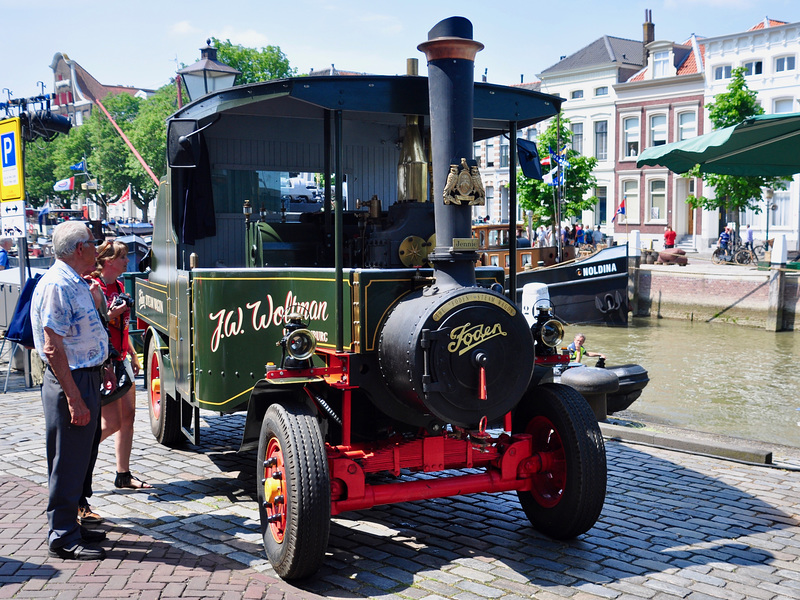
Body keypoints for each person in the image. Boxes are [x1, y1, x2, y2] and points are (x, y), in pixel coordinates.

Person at [30, 221, 111, 560]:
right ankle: (62, 535)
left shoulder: (72, 280)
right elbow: (52, 347)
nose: (97, 249)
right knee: (67, 461)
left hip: (83, 377)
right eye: (93, 244)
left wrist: (100, 361)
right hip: (72, 383)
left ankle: (71, 526)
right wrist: (75, 398)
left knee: (77, 460)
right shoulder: (58, 284)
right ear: (79, 248)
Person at [92, 241, 151, 490]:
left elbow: (122, 326)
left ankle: (123, 474)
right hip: (105, 361)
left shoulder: (118, 285)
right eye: (123, 257)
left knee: (128, 417)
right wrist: (115, 313)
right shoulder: (96, 287)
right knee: (112, 423)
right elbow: (97, 322)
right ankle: (81, 452)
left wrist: (133, 353)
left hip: (121, 357)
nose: (128, 261)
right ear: (108, 261)